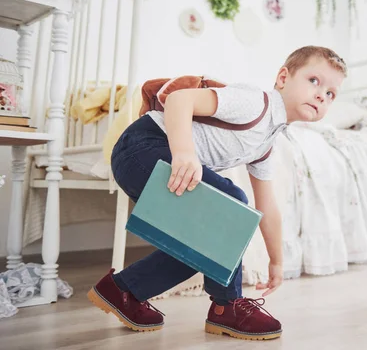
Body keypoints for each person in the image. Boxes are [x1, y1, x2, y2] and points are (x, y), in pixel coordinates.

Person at [87, 46, 347, 340]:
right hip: (141, 147)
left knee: (207, 246)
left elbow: (268, 206)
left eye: (330, 94)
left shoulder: (266, 144)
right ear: (284, 77)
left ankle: (124, 290)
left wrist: (277, 261)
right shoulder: (254, 102)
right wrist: (185, 153)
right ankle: (227, 306)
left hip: (152, 159)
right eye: (314, 81)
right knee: (232, 203)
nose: (321, 95)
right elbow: (179, 99)